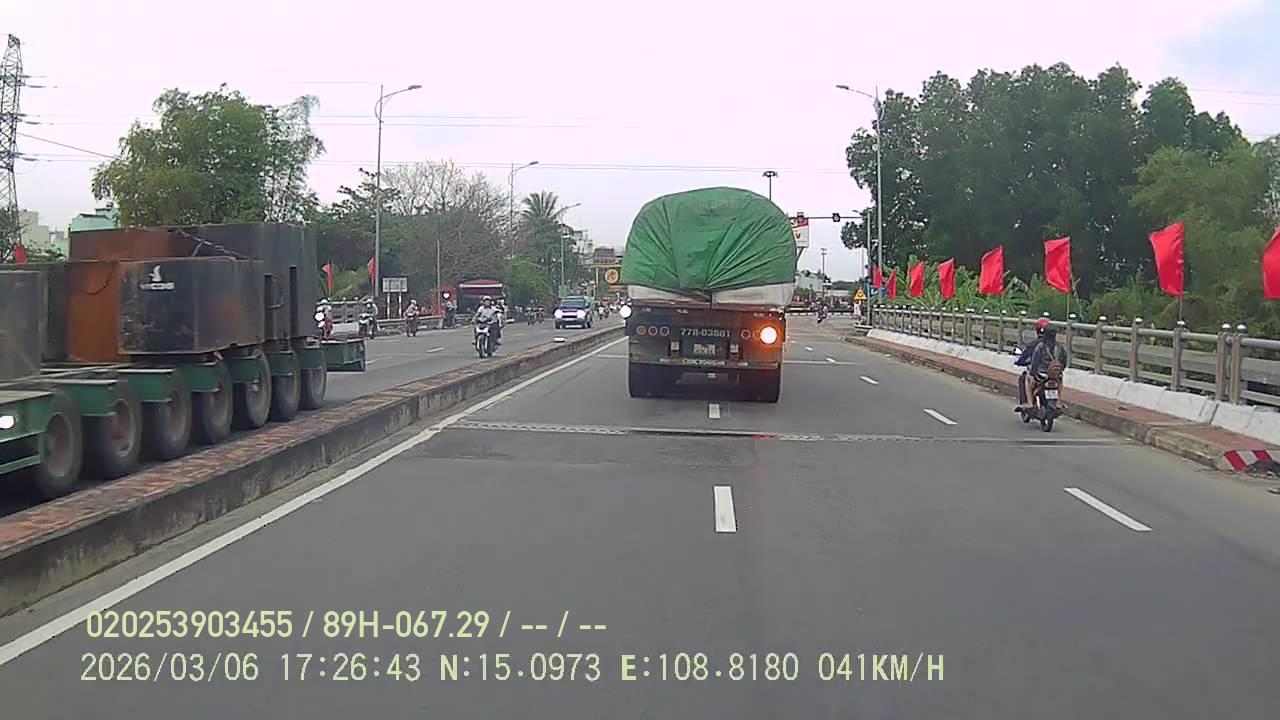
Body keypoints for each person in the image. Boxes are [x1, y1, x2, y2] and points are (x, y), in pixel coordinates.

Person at [1026, 326, 1069, 407]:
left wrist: (1032, 375)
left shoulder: (1040, 346)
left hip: (1041, 375)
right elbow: (1064, 361)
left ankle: (1030, 403)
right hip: (1055, 376)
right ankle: (1059, 402)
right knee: (1060, 380)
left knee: (1028, 379)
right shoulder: (1060, 347)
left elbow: (1035, 363)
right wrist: (1059, 370)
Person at [1014, 318, 1051, 411]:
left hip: (1039, 374)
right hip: (1052, 374)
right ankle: (1058, 403)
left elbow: (1024, 357)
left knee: (1026, 379)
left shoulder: (1033, 345)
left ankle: (1029, 403)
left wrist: (1019, 362)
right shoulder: (1055, 345)